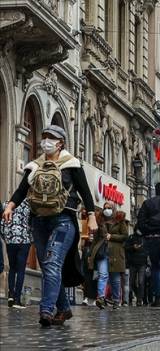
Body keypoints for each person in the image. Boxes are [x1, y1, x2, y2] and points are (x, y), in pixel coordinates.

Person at [3, 125, 97, 326]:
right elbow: (21, 190)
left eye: (51, 138)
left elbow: (86, 192)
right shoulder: (34, 166)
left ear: (60, 142)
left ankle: (46, 310)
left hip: (64, 221)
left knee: (52, 262)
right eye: (44, 137)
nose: (46, 141)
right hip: (39, 222)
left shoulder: (72, 164)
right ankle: (63, 309)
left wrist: (92, 216)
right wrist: (10, 206)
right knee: (47, 266)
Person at [137, 182, 160, 310]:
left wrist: (147, 231)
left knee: (155, 268)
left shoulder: (147, 203)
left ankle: (157, 297)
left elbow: (140, 221)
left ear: (155, 191)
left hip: (151, 239)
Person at [88, 202, 128, 309]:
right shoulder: (99, 219)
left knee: (115, 279)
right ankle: (100, 298)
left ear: (113, 208)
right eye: (105, 208)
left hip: (115, 253)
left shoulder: (120, 219)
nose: (107, 210)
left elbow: (125, 236)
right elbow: (95, 239)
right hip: (102, 252)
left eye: (109, 208)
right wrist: (90, 254)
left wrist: (112, 236)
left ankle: (116, 300)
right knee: (103, 275)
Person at [1, 200, 33, 308]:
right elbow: (32, 223)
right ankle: (17, 300)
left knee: (12, 268)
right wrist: (31, 239)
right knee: (21, 270)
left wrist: (6, 237)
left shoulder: (6, 205)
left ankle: (10, 295)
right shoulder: (29, 205)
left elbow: (2, 223)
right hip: (24, 241)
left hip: (10, 240)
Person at [125, 229, 148, 306]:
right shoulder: (131, 237)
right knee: (131, 281)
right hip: (132, 263)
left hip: (142, 263)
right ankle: (131, 297)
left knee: (141, 281)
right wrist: (133, 247)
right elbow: (126, 248)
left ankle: (139, 299)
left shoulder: (145, 238)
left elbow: (147, 250)